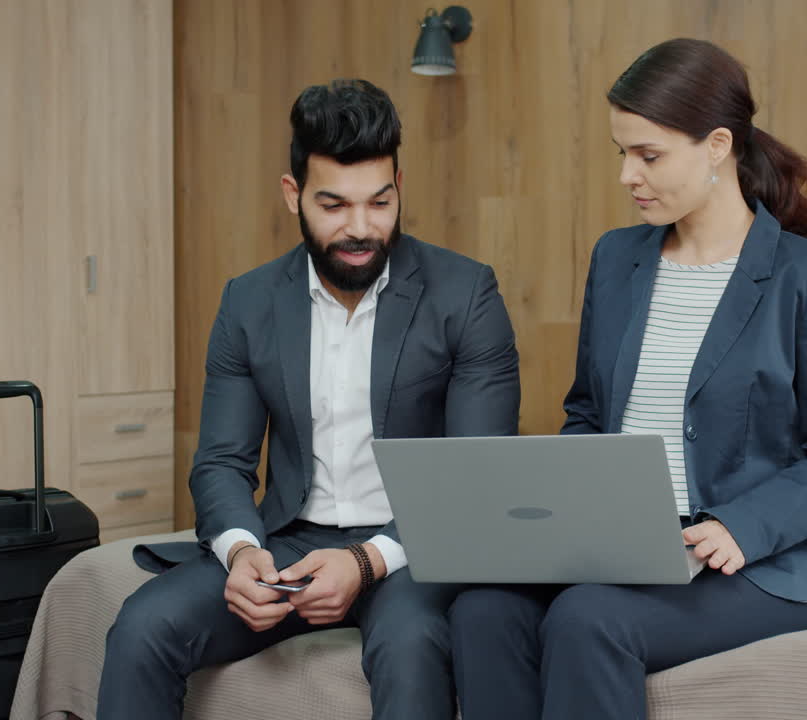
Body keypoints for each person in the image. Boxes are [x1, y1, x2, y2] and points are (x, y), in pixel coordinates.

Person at [448, 38, 807, 720]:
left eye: (648, 155)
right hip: (620, 543)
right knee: (482, 609)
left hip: (754, 565)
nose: (628, 175)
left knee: (588, 619)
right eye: (622, 152)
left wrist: (739, 526)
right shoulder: (618, 259)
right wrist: (550, 517)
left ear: (716, 146)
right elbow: (589, 415)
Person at [96, 78, 520, 720]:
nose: (361, 228)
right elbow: (221, 463)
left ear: (399, 185)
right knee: (142, 626)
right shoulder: (249, 301)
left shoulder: (465, 294)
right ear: (293, 194)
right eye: (334, 205)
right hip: (288, 540)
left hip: (414, 548)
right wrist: (241, 552)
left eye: (380, 202)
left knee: (412, 647)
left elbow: (476, 470)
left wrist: (365, 561)